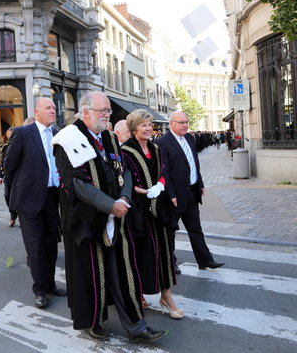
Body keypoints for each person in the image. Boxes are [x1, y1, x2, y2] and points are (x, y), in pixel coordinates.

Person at [53, 91, 165, 343]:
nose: (108, 115)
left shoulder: (109, 138)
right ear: (86, 113)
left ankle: (136, 326)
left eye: (108, 111)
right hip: (87, 221)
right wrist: (109, 206)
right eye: (103, 111)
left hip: (116, 217)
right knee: (92, 274)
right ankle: (92, 321)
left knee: (122, 273)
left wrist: (124, 199)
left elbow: (123, 171)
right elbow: (78, 185)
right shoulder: (67, 139)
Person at [4, 97, 66, 308]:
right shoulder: (23, 133)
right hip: (29, 200)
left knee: (51, 244)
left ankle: (50, 285)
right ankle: (39, 290)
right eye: (48, 108)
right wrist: (23, 188)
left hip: (52, 197)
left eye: (53, 108)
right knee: (36, 247)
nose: (53, 111)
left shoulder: (57, 134)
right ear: (36, 111)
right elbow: (9, 167)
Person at [121, 109, 183, 319]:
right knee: (141, 254)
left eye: (149, 125)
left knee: (164, 253)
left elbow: (164, 172)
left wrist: (160, 185)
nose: (148, 129)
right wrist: (142, 191)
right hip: (138, 212)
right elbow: (126, 179)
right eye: (143, 125)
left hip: (159, 209)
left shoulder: (156, 149)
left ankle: (166, 296)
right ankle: (138, 294)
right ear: (133, 128)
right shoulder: (126, 151)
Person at [156, 111, 224, 270]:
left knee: (195, 229)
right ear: (171, 124)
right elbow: (163, 171)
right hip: (174, 196)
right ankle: (170, 264)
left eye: (186, 122)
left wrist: (199, 183)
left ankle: (205, 261)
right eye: (181, 122)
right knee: (170, 231)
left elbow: (194, 163)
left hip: (192, 192)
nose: (185, 125)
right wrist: (171, 193)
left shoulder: (189, 138)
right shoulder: (163, 142)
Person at [0, 127, 18, 227]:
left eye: (11, 134)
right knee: (7, 196)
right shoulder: (5, 147)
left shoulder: (20, 144)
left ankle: (22, 217)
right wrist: (0, 176)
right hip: (7, 177)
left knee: (19, 197)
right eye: (8, 134)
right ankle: (13, 215)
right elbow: (2, 162)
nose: (9, 136)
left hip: (18, 177)